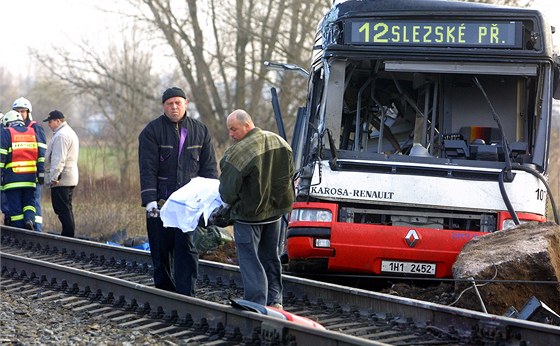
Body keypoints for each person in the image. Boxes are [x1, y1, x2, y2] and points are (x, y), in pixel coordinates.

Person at [138, 86, 218, 296]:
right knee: (160, 249)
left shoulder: (200, 130)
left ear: (186, 104)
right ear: (163, 106)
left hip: (189, 205)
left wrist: (210, 202)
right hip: (162, 203)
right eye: (169, 103)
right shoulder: (152, 131)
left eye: (178, 103)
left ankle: (186, 294)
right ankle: (165, 292)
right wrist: (150, 201)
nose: (174, 107)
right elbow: (147, 168)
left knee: (187, 249)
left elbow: (209, 170)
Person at [212, 109, 294, 308]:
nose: (231, 134)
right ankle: (275, 301)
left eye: (234, 129)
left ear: (247, 125)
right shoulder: (280, 142)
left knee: (250, 260)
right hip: (274, 214)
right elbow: (289, 175)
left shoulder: (238, 153)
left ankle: (256, 303)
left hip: (249, 217)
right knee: (270, 257)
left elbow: (228, 192)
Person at [0, 110, 45, 230]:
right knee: (29, 204)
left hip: (13, 179)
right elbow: (40, 155)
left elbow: (1, 156)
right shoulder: (32, 132)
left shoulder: (7, 133)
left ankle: (21, 233)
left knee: (15, 209)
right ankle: (29, 220)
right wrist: (40, 173)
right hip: (30, 179)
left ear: (8, 123)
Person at [12, 97, 47, 231]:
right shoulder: (11, 129)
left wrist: (41, 173)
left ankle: (37, 231)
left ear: (28, 112)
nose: (20, 114)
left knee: (34, 203)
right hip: (17, 175)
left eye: (23, 111)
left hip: (33, 174)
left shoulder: (35, 128)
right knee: (20, 206)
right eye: (17, 111)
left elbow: (41, 152)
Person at [43, 110, 79, 237]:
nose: (49, 124)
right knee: (66, 208)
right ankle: (69, 235)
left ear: (58, 121)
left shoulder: (61, 136)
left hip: (61, 179)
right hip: (69, 177)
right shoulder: (68, 132)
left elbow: (58, 159)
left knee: (62, 209)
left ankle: (68, 236)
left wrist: (54, 177)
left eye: (51, 121)